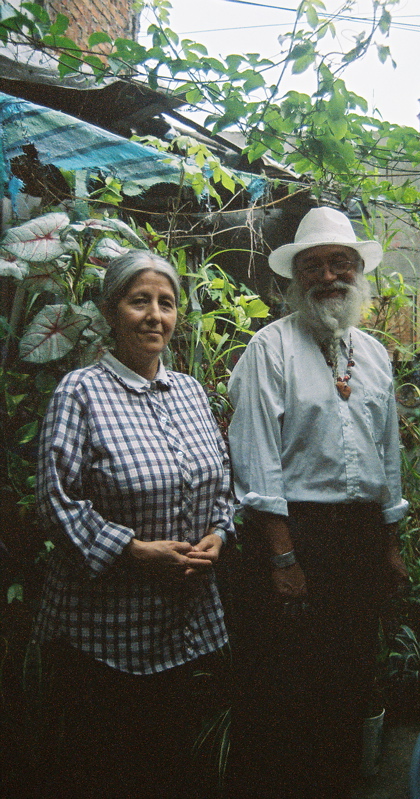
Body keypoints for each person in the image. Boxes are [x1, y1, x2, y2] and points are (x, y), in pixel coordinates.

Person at [34, 251, 235, 799]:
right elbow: (56, 498)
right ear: (110, 310)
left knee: (168, 762)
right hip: (105, 627)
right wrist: (131, 549)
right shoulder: (80, 391)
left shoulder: (191, 393)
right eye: (138, 300)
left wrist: (219, 532)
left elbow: (222, 484)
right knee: (106, 766)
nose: (154, 315)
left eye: (165, 304)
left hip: (182, 620)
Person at [226, 206, 409, 799]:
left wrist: (389, 544)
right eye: (314, 266)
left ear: (357, 271)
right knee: (285, 684)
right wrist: (282, 559)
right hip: (294, 536)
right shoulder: (270, 349)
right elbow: (256, 459)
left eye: (340, 263)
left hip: (358, 538)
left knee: (349, 675)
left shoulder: (375, 354)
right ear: (296, 278)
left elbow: (389, 460)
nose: (329, 276)